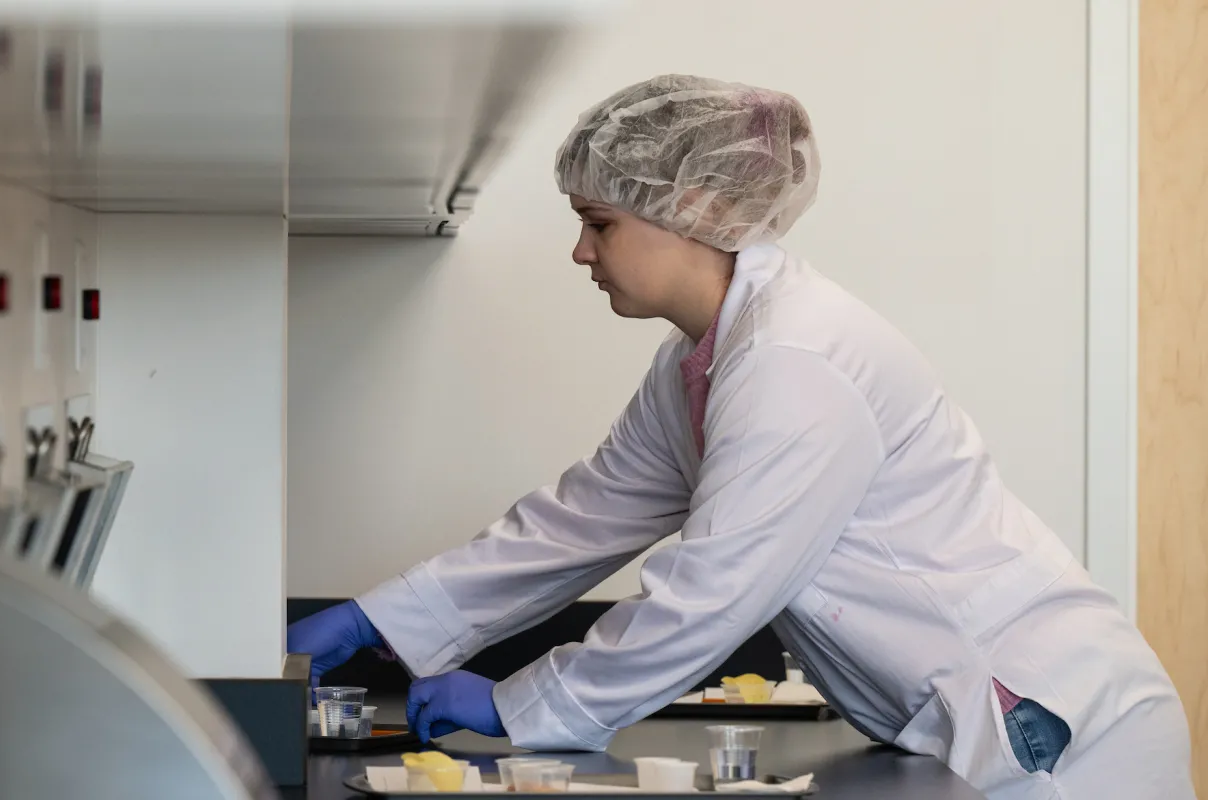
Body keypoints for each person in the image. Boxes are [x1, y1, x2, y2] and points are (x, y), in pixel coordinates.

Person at [287, 75, 1197, 798]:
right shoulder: (706, 360)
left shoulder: (794, 358)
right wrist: (384, 618)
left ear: (688, 205)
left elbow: (714, 590)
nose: (581, 252)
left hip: (1044, 726)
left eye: (598, 223)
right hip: (975, 715)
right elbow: (584, 518)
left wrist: (524, 703)